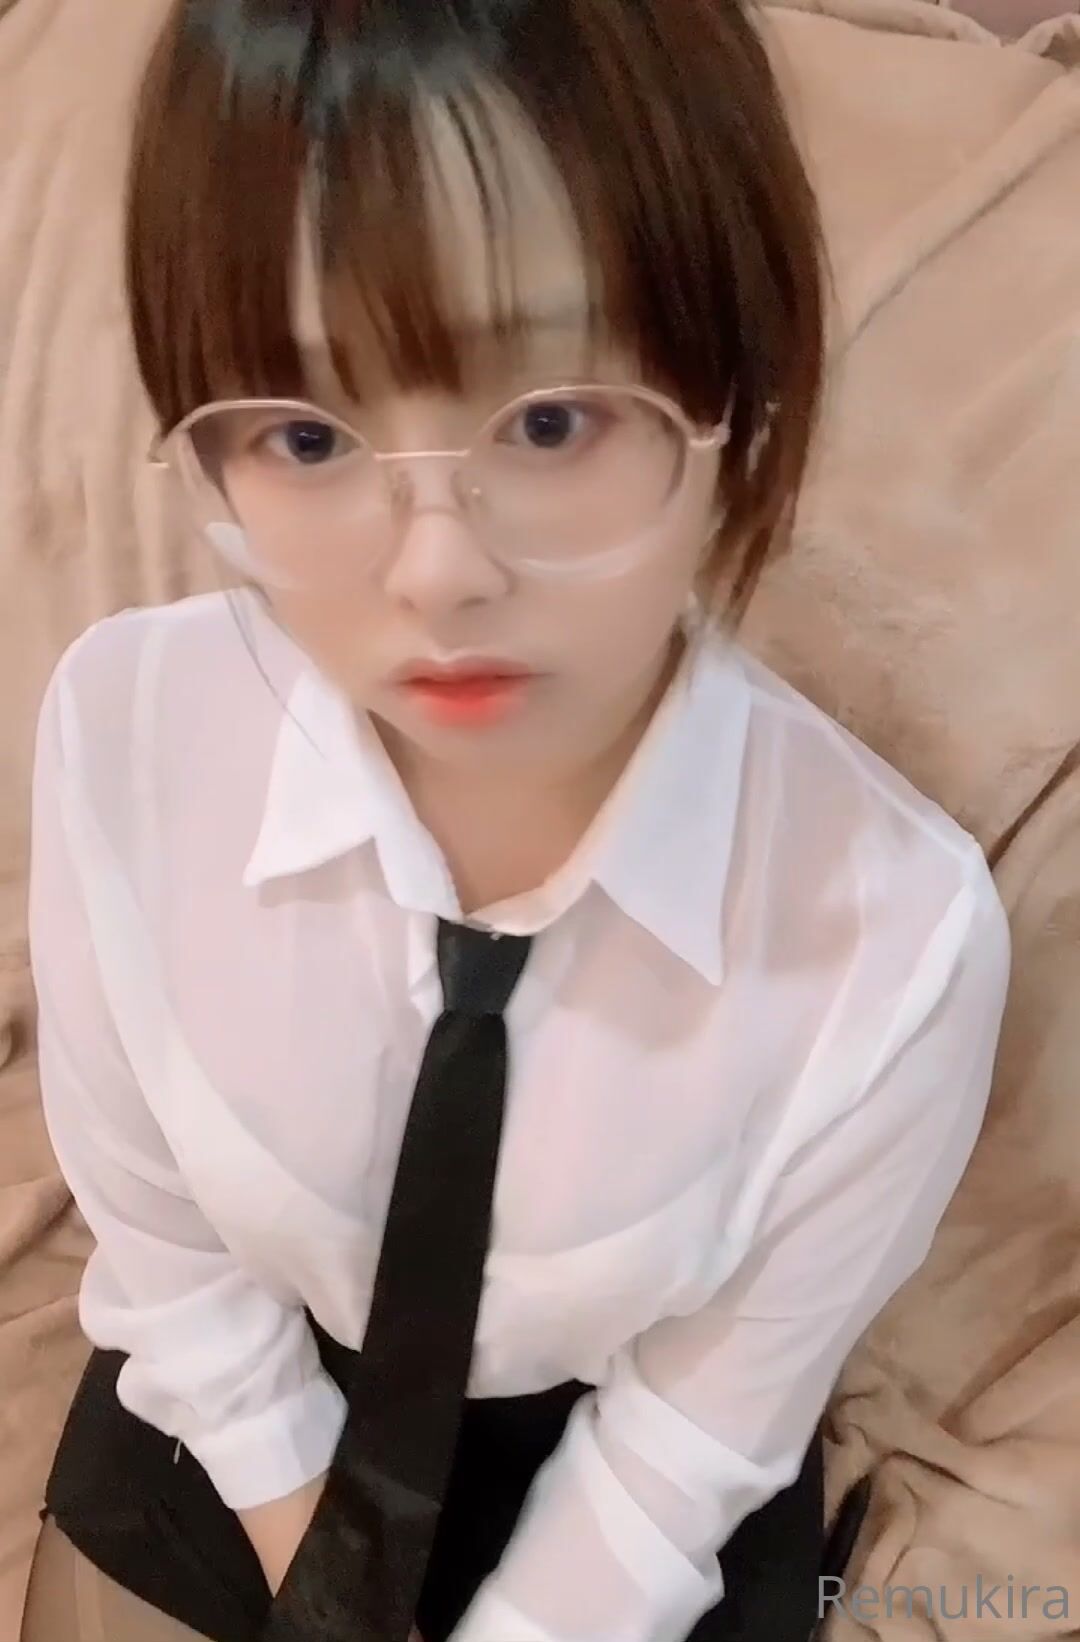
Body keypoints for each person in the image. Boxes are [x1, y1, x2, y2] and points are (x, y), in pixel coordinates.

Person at [19, 1, 1011, 1640]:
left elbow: (687, 1447)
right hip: (241, 1415)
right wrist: (323, 1577)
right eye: (307, 435)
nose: (436, 572)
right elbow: (172, 1256)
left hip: (614, 1465)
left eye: (549, 421)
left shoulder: (889, 947)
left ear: (743, 397)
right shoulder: (130, 734)